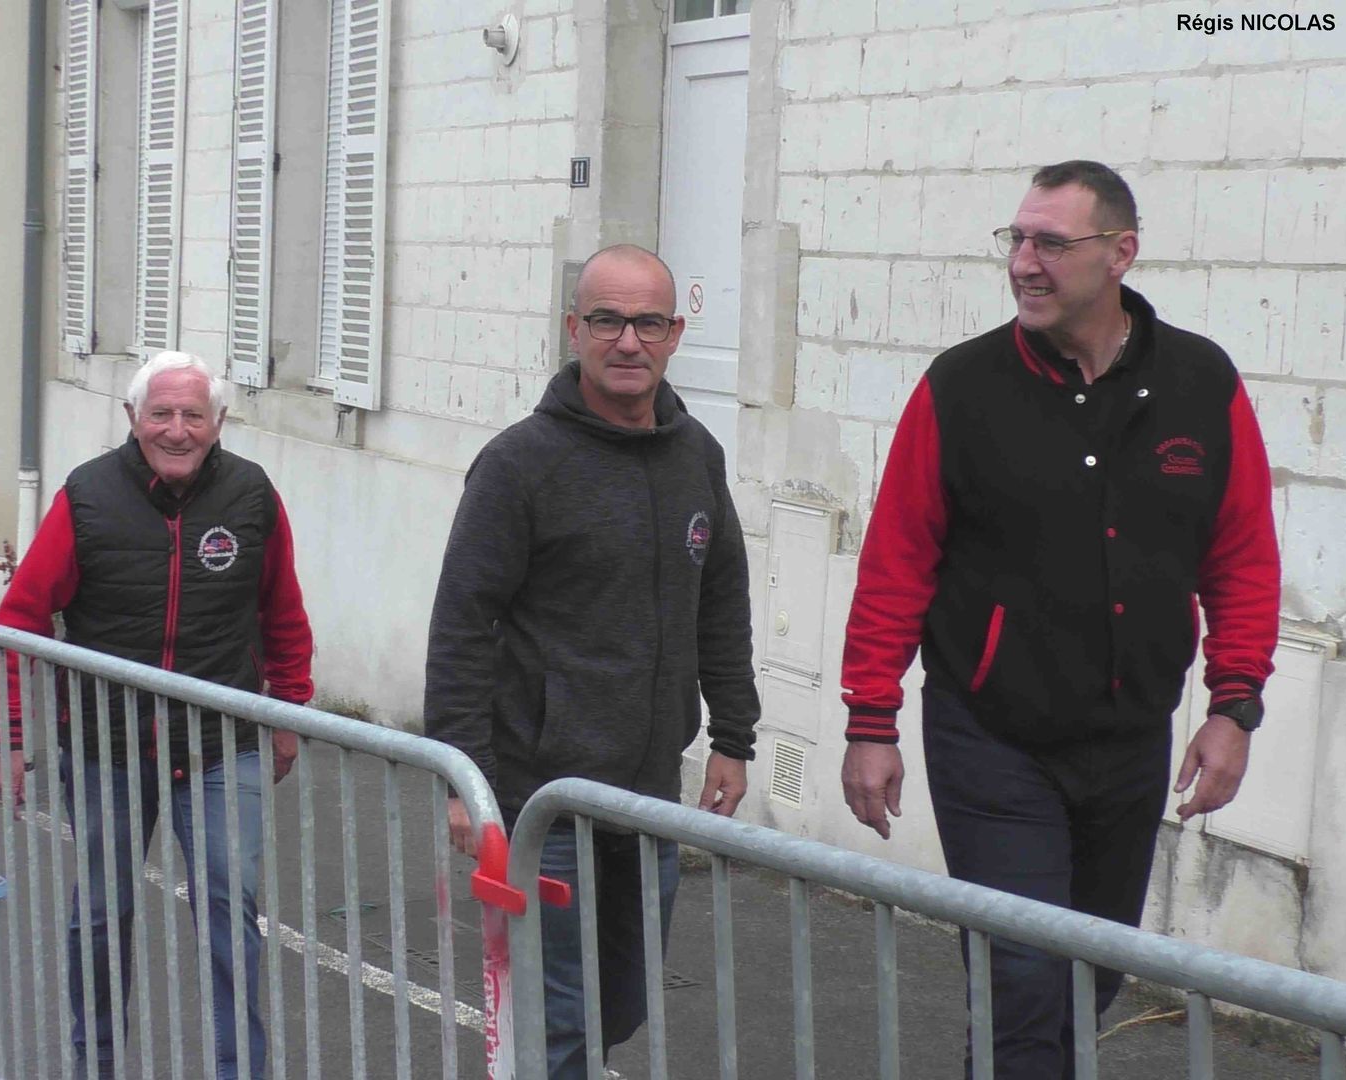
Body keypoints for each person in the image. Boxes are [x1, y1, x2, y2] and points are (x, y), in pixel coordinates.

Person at [837, 161, 1281, 1078]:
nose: (1023, 263)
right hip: (992, 734)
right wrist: (870, 719)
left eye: (1050, 242)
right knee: (1025, 983)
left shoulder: (1201, 381)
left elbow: (1240, 555)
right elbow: (896, 561)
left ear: (1121, 252)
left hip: (1130, 737)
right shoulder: (962, 386)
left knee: (1088, 979)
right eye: (1016, 240)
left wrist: (1234, 705)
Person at [424, 244, 761, 1078]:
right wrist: (466, 781)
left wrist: (733, 735)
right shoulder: (518, 465)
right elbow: (463, 623)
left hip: (647, 797)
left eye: (648, 322)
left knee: (618, 1004)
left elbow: (720, 599)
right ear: (574, 329)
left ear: (676, 334)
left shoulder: (696, 455)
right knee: (555, 1018)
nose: (628, 341)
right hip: (541, 804)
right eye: (607, 320)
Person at [0, 350, 313, 1080]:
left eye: (193, 414)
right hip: (105, 745)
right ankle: (96, 1063)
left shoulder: (252, 495)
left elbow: (283, 612)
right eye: (161, 413)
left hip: (219, 745)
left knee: (231, 915)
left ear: (218, 422)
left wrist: (289, 711)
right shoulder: (87, 496)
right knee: (102, 915)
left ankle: (241, 1070)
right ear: (132, 418)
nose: (177, 429)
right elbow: (20, 620)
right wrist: (9, 735)